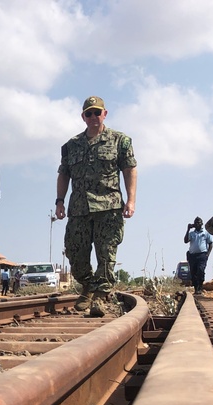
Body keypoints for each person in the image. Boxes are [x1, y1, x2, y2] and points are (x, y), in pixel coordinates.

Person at [55, 95, 137, 317]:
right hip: (79, 209)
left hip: (109, 208)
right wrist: (59, 201)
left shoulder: (121, 141)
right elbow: (64, 174)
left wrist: (131, 200)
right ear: (83, 117)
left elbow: (129, 169)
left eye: (97, 112)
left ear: (105, 114)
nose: (93, 117)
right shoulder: (70, 146)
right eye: (88, 113)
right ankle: (88, 285)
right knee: (75, 252)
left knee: (106, 254)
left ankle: (100, 297)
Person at [183, 216, 213, 294]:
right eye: (196, 223)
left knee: (200, 270)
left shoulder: (205, 233)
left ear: (202, 224)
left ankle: (200, 287)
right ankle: (196, 288)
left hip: (202, 255)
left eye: (199, 223)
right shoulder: (191, 233)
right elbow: (185, 241)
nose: (197, 224)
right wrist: (188, 229)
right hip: (192, 255)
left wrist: (207, 254)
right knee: (193, 272)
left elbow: (211, 244)